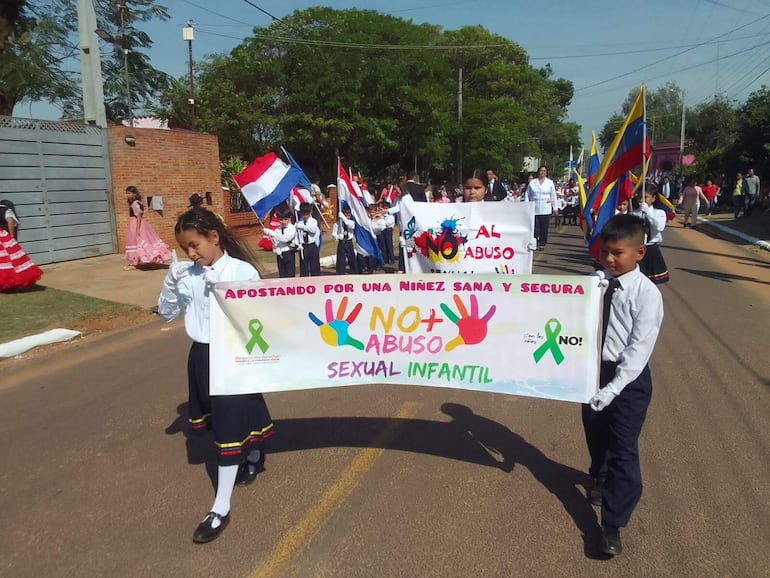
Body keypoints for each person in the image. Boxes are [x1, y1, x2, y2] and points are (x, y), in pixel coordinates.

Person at [157, 207, 275, 544]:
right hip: (202, 354)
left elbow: (259, 319)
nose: (191, 254)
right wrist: (170, 283)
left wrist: (226, 290)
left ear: (213, 237)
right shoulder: (189, 275)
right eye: (185, 249)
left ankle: (220, 506)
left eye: (195, 245)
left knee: (228, 423)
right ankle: (253, 452)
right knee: (233, 413)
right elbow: (167, 314)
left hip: (233, 353)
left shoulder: (242, 271)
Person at [582, 213, 664, 557]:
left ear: (639, 254)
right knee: (595, 432)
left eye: (618, 253)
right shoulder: (594, 283)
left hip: (628, 380)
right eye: (605, 253)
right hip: (592, 372)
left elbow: (638, 350)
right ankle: (598, 475)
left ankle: (611, 525)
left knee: (623, 447)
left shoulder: (647, 295)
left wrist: (613, 388)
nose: (610, 260)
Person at [123, 186, 172, 270]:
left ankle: (134, 264)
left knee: (136, 242)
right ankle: (143, 261)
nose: (127, 195)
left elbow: (138, 216)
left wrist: (137, 228)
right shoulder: (138, 202)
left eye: (129, 193)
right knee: (142, 243)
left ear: (134, 194)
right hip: (139, 223)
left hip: (136, 223)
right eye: (127, 193)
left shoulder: (135, 203)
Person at [0, 199, 43, 291]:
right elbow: (10, 220)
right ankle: (11, 282)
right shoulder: (6, 210)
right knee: (12, 260)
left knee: (3, 261)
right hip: (2, 236)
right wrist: (11, 236)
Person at [632, 185, 669, 284]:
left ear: (653, 198)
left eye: (645, 197)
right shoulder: (633, 214)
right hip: (637, 249)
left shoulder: (659, 213)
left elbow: (659, 227)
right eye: (639, 197)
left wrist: (648, 212)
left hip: (651, 249)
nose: (641, 200)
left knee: (651, 281)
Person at [524, 165, 558, 250]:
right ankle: (534, 241)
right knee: (535, 227)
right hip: (534, 208)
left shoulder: (549, 183)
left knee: (544, 227)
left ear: (546, 173)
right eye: (541, 171)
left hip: (545, 208)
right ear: (538, 172)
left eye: (544, 171)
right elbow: (527, 195)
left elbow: (553, 195)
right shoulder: (532, 182)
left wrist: (555, 208)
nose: (542, 172)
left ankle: (542, 243)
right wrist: (526, 205)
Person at [261, 205, 296, 278]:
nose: (283, 222)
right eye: (281, 219)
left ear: (290, 218)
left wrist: (271, 233)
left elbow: (285, 238)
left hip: (288, 253)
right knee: (282, 275)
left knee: (290, 275)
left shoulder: (291, 228)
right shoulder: (277, 230)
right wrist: (275, 249)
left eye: (285, 219)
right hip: (280, 255)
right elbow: (275, 241)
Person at [296, 202, 321, 277]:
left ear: (310, 213)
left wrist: (302, 227)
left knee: (314, 266)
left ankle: (315, 280)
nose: (305, 216)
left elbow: (312, 230)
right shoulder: (299, 222)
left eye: (307, 214)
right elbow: (297, 235)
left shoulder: (313, 221)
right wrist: (298, 244)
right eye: (303, 214)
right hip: (303, 246)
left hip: (312, 245)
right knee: (304, 266)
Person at [333, 203, 358, 274]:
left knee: (352, 257)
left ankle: (354, 271)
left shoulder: (351, 222)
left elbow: (350, 226)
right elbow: (334, 234)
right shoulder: (337, 224)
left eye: (349, 215)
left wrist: (343, 218)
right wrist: (337, 237)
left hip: (349, 242)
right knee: (341, 259)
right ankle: (340, 272)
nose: (347, 216)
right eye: (345, 215)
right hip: (341, 242)